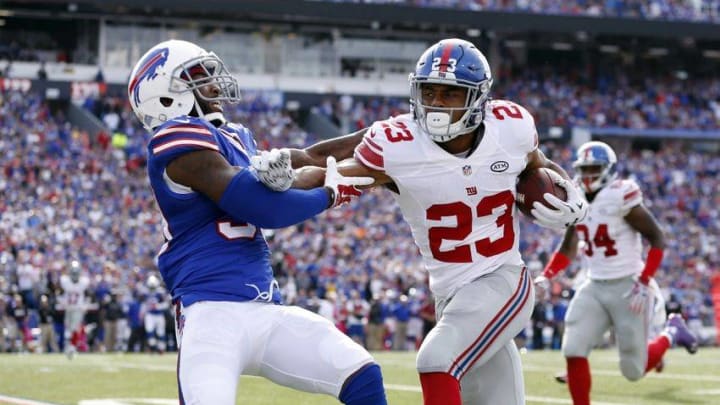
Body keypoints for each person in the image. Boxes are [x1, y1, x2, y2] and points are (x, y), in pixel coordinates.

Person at [254, 37, 589, 405]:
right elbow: (332, 173)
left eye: (450, 94)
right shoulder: (398, 144)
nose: (436, 104)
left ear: (478, 98)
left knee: (435, 359)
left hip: (503, 279)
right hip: (450, 294)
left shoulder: (510, 127)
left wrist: (567, 187)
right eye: (429, 92)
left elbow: (537, 165)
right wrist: (286, 179)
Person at [128, 39, 386, 405]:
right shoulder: (175, 139)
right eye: (199, 78)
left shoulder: (237, 138)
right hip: (210, 314)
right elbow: (260, 206)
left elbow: (312, 155)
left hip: (266, 311)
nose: (214, 85)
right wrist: (330, 192)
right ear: (164, 96)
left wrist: (382, 135)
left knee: (362, 374)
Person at [534, 141, 698, 405]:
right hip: (594, 285)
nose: (587, 176)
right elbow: (568, 247)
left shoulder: (621, 194)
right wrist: (546, 275)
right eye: (583, 169)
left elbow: (657, 237)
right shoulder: (575, 196)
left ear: (608, 169)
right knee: (573, 348)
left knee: (633, 371)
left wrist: (644, 281)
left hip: (628, 284)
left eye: (593, 169)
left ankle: (672, 332)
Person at [60, 260, 90, 358]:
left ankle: (71, 348)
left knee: (73, 329)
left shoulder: (66, 281)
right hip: (71, 308)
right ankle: (70, 347)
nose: (75, 275)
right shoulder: (80, 282)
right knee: (69, 328)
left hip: (75, 308)